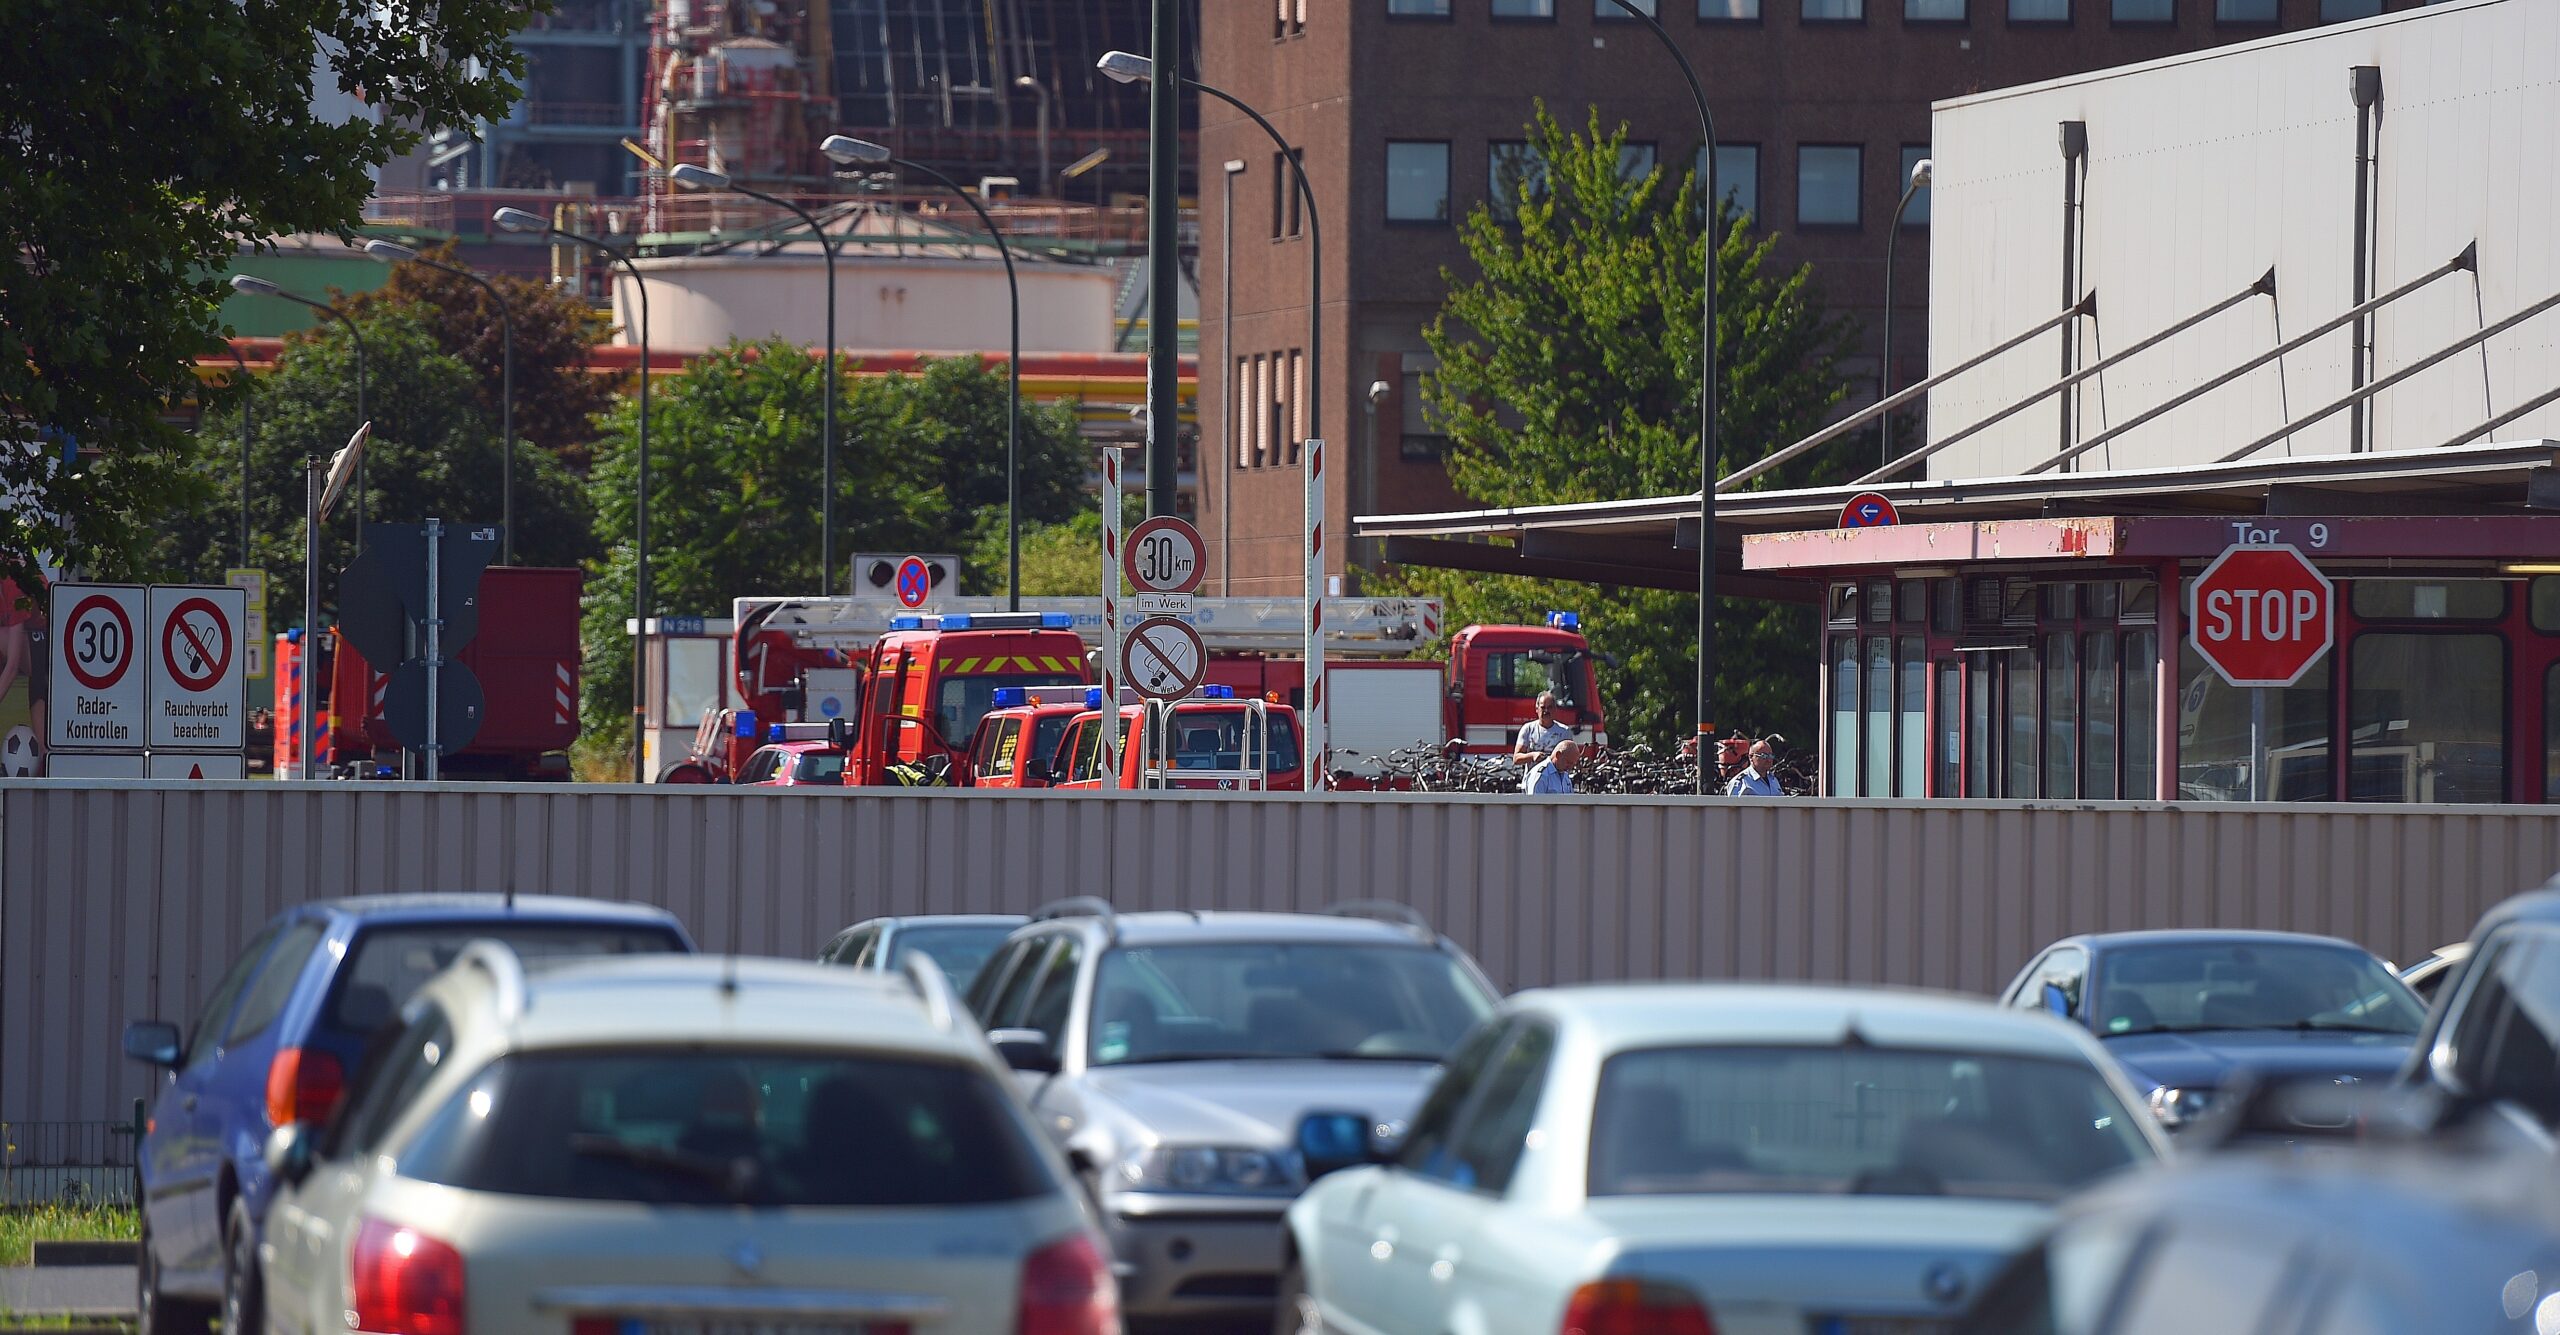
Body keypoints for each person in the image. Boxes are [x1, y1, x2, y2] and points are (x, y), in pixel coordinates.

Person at [1511, 692, 1574, 767]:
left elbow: (1571, 760)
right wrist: (1532, 756)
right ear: (1537, 709)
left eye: (1549, 707)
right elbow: (1516, 759)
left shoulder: (1564, 731)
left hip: (1555, 777)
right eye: (1543, 707)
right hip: (1533, 777)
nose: (1546, 711)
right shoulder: (1528, 729)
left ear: (1555, 709)